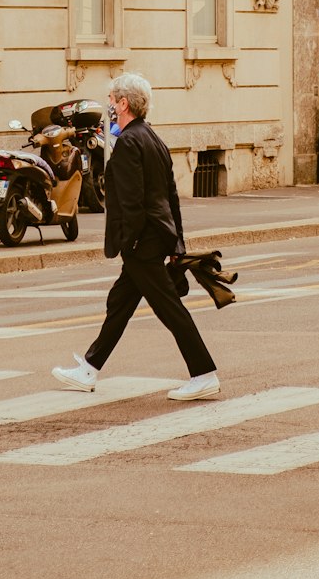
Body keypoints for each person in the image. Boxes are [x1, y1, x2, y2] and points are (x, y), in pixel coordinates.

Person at [52, 72, 219, 403]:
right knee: (119, 303)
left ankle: (204, 374)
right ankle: (89, 369)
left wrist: (132, 245)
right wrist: (177, 243)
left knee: (170, 310)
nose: (109, 106)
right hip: (154, 239)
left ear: (124, 104)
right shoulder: (151, 138)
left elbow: (133, 202)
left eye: (112, 100)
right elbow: (170, 197)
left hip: (142, 243)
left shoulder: (128, 142)